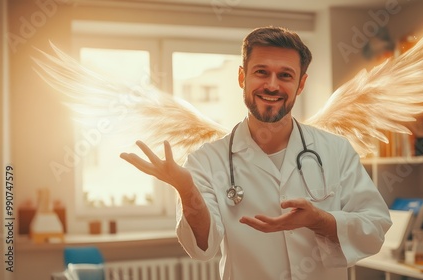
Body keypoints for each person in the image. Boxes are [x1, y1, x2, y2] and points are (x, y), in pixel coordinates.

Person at [120, 26, 392, 280]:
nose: (272, 85)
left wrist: (319, 220)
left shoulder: (336, 150)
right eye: (261, 72)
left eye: (285, 75)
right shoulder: (206, 160)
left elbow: (375, 226)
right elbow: (202, 246)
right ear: (242, 77)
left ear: (301, 84)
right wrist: (185, 188)